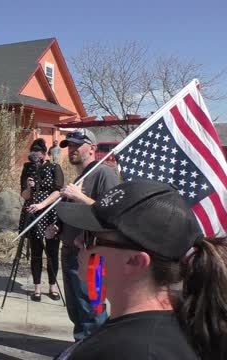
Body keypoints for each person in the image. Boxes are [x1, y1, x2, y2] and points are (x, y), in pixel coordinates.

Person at [54, 180, 227, 360]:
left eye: (91, 238)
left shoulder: (130, 351)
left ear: (134, 261)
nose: (77, 241)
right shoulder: (167, 324)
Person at [46, 128, 120, 340]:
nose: (72, 150)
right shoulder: (81, 177)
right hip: (70, 253)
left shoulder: (104, 174)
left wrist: (79, 197)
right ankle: (83, 349)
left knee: (92, 312)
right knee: (77, 311)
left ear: (93, 148)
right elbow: (79, 215)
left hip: (93, 257)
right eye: (69, 145)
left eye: (77, 145)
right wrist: (59, 226)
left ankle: (93, 352)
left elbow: (112, 214)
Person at [18, 139, 64, 301]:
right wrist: (29, 187)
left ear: (45, 154)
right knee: (36, 251)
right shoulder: (27, 168)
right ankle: (37, 287)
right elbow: (23, 195)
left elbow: (58, 192)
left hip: (50, 211)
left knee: (52, 250)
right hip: (32, 213)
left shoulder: (54, 168)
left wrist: (42, 205)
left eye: (39, 153)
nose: (36, 156)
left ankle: (52, 286)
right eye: (34, 153)